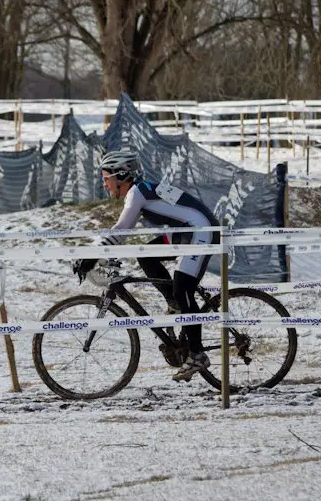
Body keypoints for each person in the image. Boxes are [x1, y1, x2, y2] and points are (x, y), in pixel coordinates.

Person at [71, 150, 221, 382]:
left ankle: (197, 353)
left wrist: (91, 255)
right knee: (147, 257)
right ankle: (174, 303)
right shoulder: (141, 190)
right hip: (185, 231)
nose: (104, 185)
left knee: (183, 288)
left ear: (121, 175)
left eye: (106, 179)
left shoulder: (137, 193)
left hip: (200, 232)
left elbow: (121, 230)